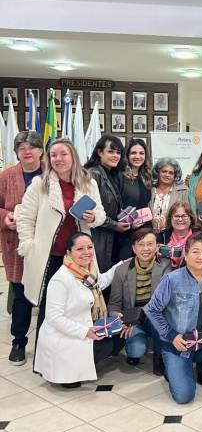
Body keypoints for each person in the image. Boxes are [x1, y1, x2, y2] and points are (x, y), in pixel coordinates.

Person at [17, 138, 106, 336]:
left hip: (79, 256)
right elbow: (25, 219)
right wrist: (29, 245)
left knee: (78, 304)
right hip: (49, 256)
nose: (58, 159)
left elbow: (100, 213)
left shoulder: (88, 183)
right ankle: (44, 351)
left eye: (63, 154)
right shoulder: (39, 184)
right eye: (53, 155)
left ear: (73, 156)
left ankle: (74, 348)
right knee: (50, 307)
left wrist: (93, 217)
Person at [145, 231, 202, 403]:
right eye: (195, 251)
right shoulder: (171, 279)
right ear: (186, 253)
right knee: (184, 397)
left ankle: (200, 367)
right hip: (177, 345)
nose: (201, 256)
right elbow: (152, 310)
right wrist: (172, 336)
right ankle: (174, 368)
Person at [34, 233, 123, 387]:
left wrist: (125, 263)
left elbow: (101, 282)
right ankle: (70, 370)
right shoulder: (60, 279)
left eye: (89, 247)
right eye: (80, 249)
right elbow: (54, 318)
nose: (86, 252)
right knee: (107, 345)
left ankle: (82, 365)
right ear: (69, 252)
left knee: (119, 337)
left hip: (84, 325)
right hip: (63, 336)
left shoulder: (89, 270)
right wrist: (85, 331)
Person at [0, 131, 44, 365]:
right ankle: (19, 342)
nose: (27, 151)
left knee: (50, 293)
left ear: (41, 151)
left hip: (48, 244)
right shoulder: (6, 176)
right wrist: (5, 217)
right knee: (21, 294)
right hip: (17, 245)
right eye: (21, 148)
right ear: (16, 152)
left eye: (32, 147)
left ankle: (47, 343)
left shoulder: (52, 173)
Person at [108, 228, 170, 371]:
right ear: (134, 248)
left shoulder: (166, 266)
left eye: (150, 244)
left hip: (156, 316)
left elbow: (166, 301)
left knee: (158, 322)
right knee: (136, 351)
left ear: (157, 247)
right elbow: (114, 304)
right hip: (132, 319)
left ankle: (159, 356)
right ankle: (138, 345)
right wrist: (121, 319)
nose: (146, 249)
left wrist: (144, 314)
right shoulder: (121, 270)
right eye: (141, 244)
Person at [85, 135, 127, 271]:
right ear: (99, 152)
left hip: (109, 238)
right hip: (97, 237)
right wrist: (115, 225)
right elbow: (89, 213)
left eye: (118, 153)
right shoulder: (93, 174)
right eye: (110, 151)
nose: (115, 156)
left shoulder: (112, 174)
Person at [117, 138, 152, 260]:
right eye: (133, 153)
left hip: (144, 230)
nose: (137, 156)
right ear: (127, 155)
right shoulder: (119, 176)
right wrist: (129, 223)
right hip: (125, 232)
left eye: (141, 153)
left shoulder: (147, 177)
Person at [150, 157, 188, 233]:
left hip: (174, 234)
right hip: (150, 233)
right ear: (157, 173)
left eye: (171, 173)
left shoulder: (183, 191)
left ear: (175, 175)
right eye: (164, 171)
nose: (167, 175)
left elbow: (187, 216)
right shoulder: (149, 190)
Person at [157, 201, 196, 269]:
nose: (180, 219)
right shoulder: (161, 236)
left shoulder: (199, 237)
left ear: (191, 218)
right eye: (176, 216)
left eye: (184, 216)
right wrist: (155, 253)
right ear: (170, 218)